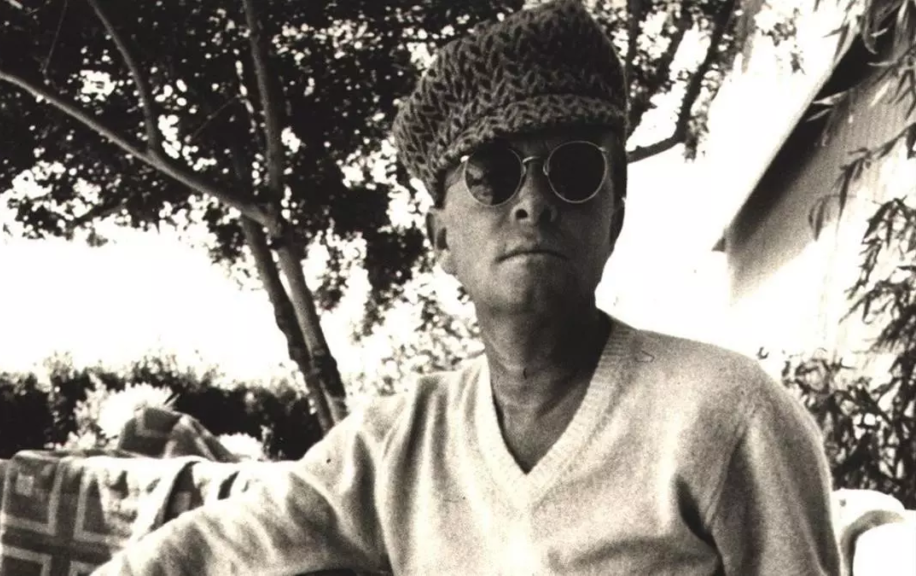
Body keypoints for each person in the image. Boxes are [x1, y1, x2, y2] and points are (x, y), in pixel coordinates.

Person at [94, 0, 842, 573]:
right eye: (491, 174)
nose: (533, 201)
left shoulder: (726, 415)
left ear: (613, 217)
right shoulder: (398, 445)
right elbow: (218, 547)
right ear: (441, 239)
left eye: (574, 169)